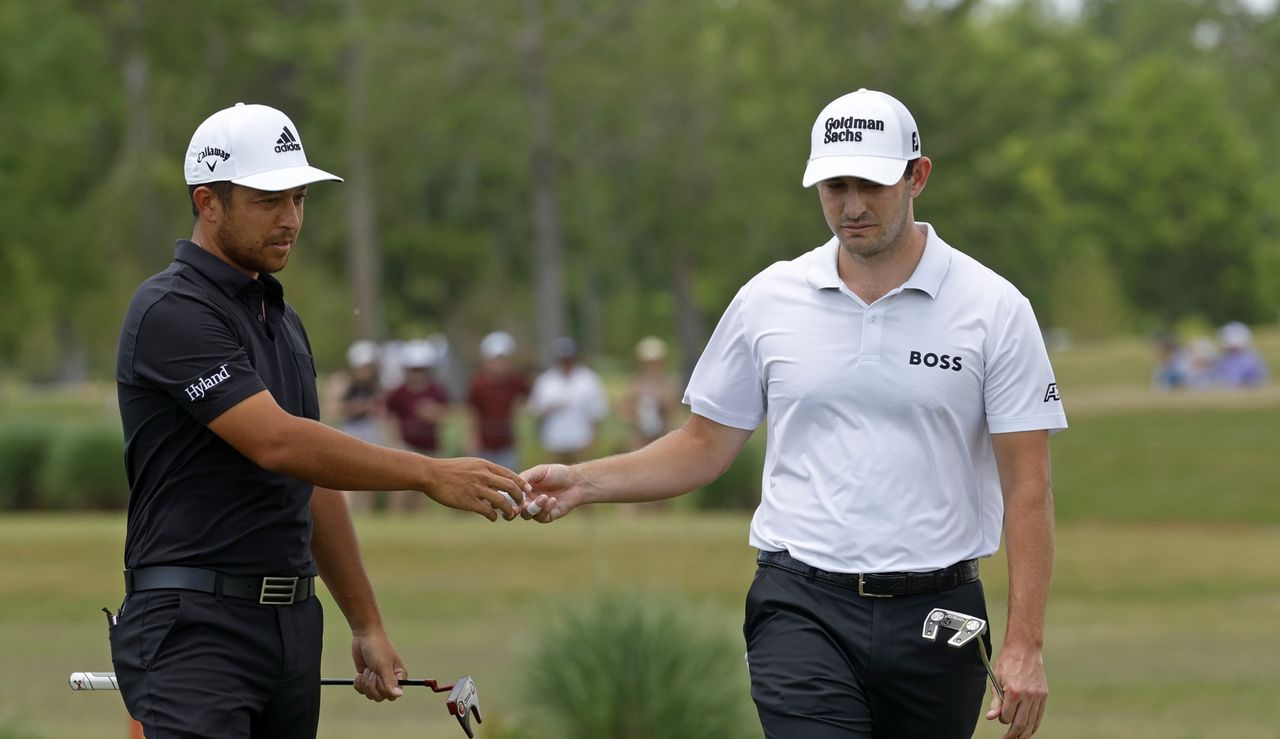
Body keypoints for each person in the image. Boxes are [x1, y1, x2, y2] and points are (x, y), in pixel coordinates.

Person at [520, 89, 1065, 739]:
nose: (852, 206)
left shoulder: (994, 307)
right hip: (800, 605)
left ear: (917, 176)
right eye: (835, 186)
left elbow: (1027, 484)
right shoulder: (768, 300)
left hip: (939, 613)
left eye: (871, 184)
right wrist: (584, 481)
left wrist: (1024, 642)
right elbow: (702, 445)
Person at [112, 102, 528, 739]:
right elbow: (277, 443)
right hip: (193, 624)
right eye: (268, 200)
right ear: (208, 202)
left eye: (300, 199)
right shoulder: (170, 309)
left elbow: (314, 476)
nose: (290, 219)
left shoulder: (279, 318)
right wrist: (426, 473)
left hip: (291, 626)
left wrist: (365, 622)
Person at [383, 340, 451, 513]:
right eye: (414, 369)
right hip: (406, 447)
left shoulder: (436, 390)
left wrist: (434, 413)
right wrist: (393, 441)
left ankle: (416, 523)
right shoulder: (398, 392)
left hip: (430, 448)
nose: (418, 374)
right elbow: (389, 417)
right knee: (402, 489)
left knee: (425, 491)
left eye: (421, 369)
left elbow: (448, 414)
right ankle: (396, 522)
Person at [526, 336, 610, 466]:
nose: (565, 363)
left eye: (568, 359)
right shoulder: (545, 380)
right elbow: (534, 410)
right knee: (552, 483)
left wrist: (594, 441)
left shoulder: (589, 379)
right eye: (562, 359)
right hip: (554, 442)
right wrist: (549, 408)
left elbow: (598, 412)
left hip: (581, 441)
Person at [327, 339, 388, 512]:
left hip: (371, 430)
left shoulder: (375, 384)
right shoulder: (343, 381)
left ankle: (366, 513)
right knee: (347, 476)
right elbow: (332, 409)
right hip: (350, 430)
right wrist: (357, 407)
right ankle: (346, 512)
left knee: (370, 477)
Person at [464, 330, 532, 472]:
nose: (499, 365)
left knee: (510, 482)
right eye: (495, 360)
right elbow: (472, 412)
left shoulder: (515, 382)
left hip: (508, 444)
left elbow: (528, 399)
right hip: (484, 445)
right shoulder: (478, 384)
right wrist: (472, 438)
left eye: (503, 360)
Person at [619, 336, 683, 452]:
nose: (652, 366)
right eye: (649, 362)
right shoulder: (634, 384)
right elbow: (623, 411)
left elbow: (675, 414)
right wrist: (636, 415)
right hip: (639, 439)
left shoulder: (670, 384)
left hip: (663, 438)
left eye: (655, 362)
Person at [1214, 321, 1268, 388]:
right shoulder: (1222, 360)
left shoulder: (1252, 360)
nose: (1233, 350)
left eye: (1235, 348)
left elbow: (1259, 381)